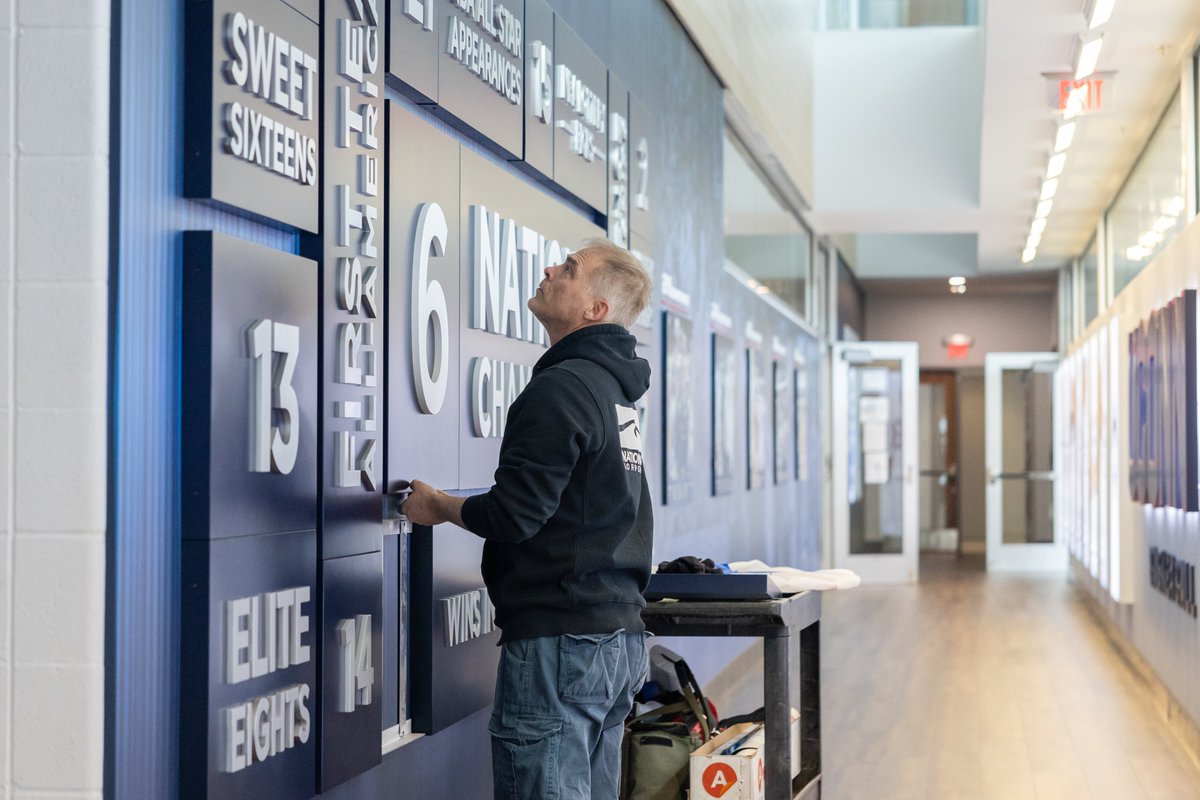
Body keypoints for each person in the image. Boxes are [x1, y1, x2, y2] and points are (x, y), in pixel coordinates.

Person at [402, 238, 655, 800]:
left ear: (594, 310)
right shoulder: (613, 392)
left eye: (570, 268)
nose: (550, 268)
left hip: (561, 642)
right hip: (616, 640)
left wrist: (438, 507)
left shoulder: (563, 388)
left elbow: (515, 514)